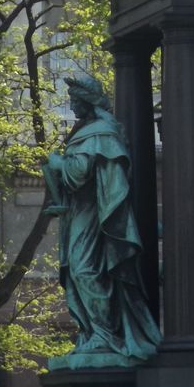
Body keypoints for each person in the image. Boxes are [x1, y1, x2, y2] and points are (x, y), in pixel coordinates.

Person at [45, 75, 160, 362]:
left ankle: (106, 333)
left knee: (85, 271)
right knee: (76, 271)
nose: (71, 106)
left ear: (88, 100)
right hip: (78, 213)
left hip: (96, 216)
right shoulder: (87, 130)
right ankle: (93, 333)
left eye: (74, 101)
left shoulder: (101, 131)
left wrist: (59, 164)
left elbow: (79, 172)